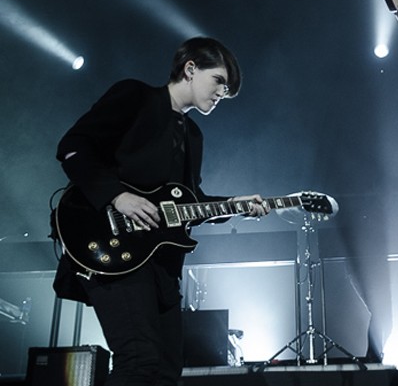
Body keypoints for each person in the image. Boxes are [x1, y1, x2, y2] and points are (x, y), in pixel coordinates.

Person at [52, 36, 270, 386]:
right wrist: (117, 197)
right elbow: (73, 147)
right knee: (138, 363)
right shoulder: (135, 97)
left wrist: (233, 205)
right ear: (190, 69)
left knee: (166, 373)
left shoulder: (192, 135)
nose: (223, 93)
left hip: (160, 264)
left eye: (228, 90)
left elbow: (187, 203)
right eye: (219, 81)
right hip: (112, 247)